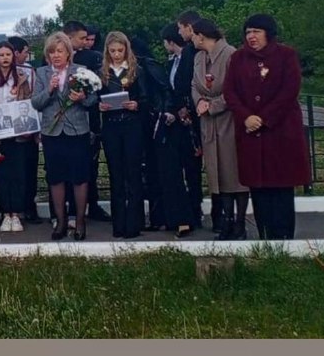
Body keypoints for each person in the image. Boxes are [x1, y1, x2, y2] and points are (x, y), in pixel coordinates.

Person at [229, 15, 310, 243]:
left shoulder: (286, 56)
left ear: (268, 33)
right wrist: (246, 117)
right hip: (251, 136)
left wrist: (264, 118)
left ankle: (284, 240)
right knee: (259, 188)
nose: (251, 37)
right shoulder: (238, 58)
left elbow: (289, 91)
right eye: (247, 32)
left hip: (281, 134)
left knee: (281, 189)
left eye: (256, 31)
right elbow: (230, 92)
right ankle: (265, 239)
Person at [30, 28, 97, 240]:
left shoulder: (81, 71)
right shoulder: (41, 73)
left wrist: (81, 98)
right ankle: (59, 221)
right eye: (52, 52)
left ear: (68, 53)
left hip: (77, 131)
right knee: (56, 177)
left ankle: (79, 221)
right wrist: (49, 90)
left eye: (60, 51)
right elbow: (36, 103)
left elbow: (92, 101)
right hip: (52, 133)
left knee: (79, 177)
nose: (56, 55)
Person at [93, 30, 156, 237]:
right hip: (111, 127)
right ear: (107, 51)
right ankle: (118, 224)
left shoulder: (136, 70)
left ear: (126, 50)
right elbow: (94, 98)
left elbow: (147, 99)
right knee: (116, 175)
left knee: (133, 174)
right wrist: (99, 106)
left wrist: (136, 104)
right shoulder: (102, 72)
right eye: (113, 51)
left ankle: (134, 223)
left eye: (120, 50)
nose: (117, 55)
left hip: (132, 126)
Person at [191, 17, 244, 238]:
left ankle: (239, 223)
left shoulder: (230, 54)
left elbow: (237, 89)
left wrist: (213, 105)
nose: (191, 39)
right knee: (216, 173)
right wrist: (199, 102)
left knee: (233, 172)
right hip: (207, 122)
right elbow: (194, 84)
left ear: (201, 36)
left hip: (228, 120)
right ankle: (225, 219)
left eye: (193, 35)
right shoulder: (199, 57)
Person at [155, 19, 203, 234]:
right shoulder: (172, 62)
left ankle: (195, 209)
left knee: (193, 167)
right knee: (180, 166)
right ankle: (187, 211)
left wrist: (186, 109)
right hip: (178, 120)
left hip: (191, 118)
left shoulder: (190, 57)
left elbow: (188, 86)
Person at [0, 38, 39, 231]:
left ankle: (16, 213)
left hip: (19, 133)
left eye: (8, 54)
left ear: (13, 56)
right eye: (1, 55)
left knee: (18, 173)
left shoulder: (24, 75)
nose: (5, 58)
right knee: (0, 174)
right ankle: (4, 213)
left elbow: (31, 101)